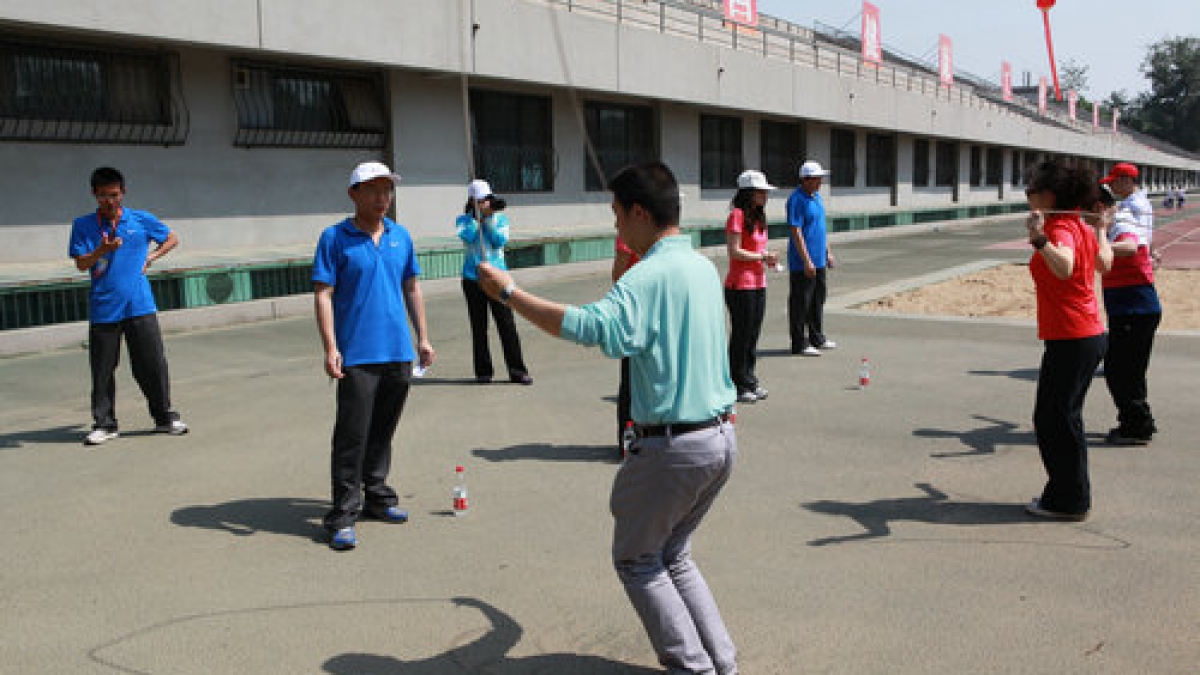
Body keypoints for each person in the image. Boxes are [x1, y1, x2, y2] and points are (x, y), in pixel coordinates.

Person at [477, 162, 739, 674]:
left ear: (639, 212)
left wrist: (509, 294)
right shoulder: (703, 267)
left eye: (617, 214)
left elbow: (588, 327)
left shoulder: (648, 276)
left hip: (673, 446)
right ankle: (721, 665)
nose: (616, 226)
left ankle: (697, 669)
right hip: (721, 436)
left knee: (639, 560)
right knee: (673, 555)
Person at [312, 161, 435, 551]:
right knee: (352, 436)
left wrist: (423, 338)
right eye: (374, 190)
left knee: (383, 431)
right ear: (354, 194)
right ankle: (342, 516)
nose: (383, 198)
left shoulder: (401, 237)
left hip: (397, 351)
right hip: (358, 355)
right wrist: (331, 348)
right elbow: (323, 295)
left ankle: (377, 496)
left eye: (387, 190)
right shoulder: (335, 238)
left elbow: (411, 287)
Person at [69, 167, 188, 446]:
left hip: (140, 305)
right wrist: (101, 250)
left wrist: (151, 258)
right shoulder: (82, 225)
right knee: (102, 369)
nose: (109, 201)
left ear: (123, 192)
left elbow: (172, 238)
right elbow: (81, 263)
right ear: (94, 195)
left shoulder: (141, 219)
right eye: (102, 196)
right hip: (104, 308)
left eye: (114, 195)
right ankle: (105, 423)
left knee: (152, 364)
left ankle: (164, 417)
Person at [1023, 160, 1113, 521]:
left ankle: (1068, 500)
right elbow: (1104, 263)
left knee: (1055, 419)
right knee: (1062, 417)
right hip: (1085, 333)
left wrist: (1039, 239)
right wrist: (1102, 230)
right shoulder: (1079, 226)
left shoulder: (1061, 227)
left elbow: (1063, 266)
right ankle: (1068, 493)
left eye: (1032, 189)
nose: (1028, 195)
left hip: (1073, 335)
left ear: (1048, 194)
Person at [1088, 186, 1161, 445]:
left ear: (1098, 208)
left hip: (1135, 309)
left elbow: (1129, 247)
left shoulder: (1118, 222)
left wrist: (1098, 241)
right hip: (1128, 308)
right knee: (1125, 371)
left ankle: (1137, 426)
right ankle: (1136, 422)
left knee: (1122, 372)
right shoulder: (1118, 221)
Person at [456, 179, 532, 385]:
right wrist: (476, 219)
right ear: (473, 202)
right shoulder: (463, 220)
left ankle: (517, 371)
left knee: (507, 324)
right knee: (479, 326)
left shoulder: (501, 219)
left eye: (488, 199)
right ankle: (483, 371)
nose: (487, 203)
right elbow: (469, 236)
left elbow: (500, 241)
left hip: (498, 278)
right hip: (473, 279)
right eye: (481, 200)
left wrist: (488, 220)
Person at [725, 170, 780, 403]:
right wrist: (761, 256)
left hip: (758, 282)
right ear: (749, 193)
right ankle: (736, 383)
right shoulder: (736, 215)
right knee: (741, 335)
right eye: (761, 191)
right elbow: (734, 250)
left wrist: (767, 258)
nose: (765, 195)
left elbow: (757, 249)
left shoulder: (759, 217)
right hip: (740, 285)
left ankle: (749, 379)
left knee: (753, 335)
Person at [787, 160, 837, 356]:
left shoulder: (816, 197)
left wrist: (828, 252)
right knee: (801, 302)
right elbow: (796, 230)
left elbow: (821, 229)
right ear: (805, 180)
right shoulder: (796, 199)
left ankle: (817, 337)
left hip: (819, 259)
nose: (821, 182)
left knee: (817, 299)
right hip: (803, 262)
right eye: (817, 178)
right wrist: (806, 260)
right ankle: (799, 342)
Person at [613, 235, 640, 451]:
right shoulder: (628, 235)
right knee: (631, 377)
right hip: (633, 316)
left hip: (657, 313)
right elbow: (618, 278)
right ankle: (626, 437)